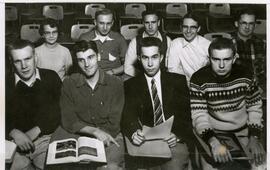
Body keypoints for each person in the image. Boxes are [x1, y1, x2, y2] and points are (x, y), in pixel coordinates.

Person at [190, 38, 265, 170]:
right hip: (212, 133)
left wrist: (254, 137)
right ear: (209, 58)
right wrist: (213, 142)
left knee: (260, 166)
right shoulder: (198, 79)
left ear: (234, 58)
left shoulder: (246, 75)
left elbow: (255, 107)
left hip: (243, 132)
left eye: (226, 59)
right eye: (216, 59)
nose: (221, 65)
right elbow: (199, 115)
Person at [121, 37, 194, 170]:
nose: (150, 63)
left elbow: (187, 116)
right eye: (145, 58)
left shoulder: (178, 81)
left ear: (161, 57)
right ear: (139, 58)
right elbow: (127, 115)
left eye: (154, 57)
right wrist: (133, 133)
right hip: (145, 142)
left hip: (172, 141)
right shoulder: (131, 85)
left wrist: (177, 135)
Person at [60, 40, 125, 170]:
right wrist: (94, 131)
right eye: (81, 60)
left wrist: (98, 139)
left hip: (110, 135)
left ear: (98, 56)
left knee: (109, 167)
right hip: (78, 135)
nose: (87, 64)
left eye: (90, 57)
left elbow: (115, 122)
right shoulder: (69, 84)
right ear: (76, 62)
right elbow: (68, 120)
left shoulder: (115, 83)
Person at [6, 39, 62, 170]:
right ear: (11, 62)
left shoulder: (51, 77)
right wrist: (12, 132)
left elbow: (62, 110)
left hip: (45, 140)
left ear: (35, 57)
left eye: (27, 59)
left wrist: (38, 129)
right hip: (14, 145)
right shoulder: (4, 84)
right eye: (18, 61)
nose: (24, 65)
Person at [79, 8, 127, 77]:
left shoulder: (119, 38)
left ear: (112, 23)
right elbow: (80, 63)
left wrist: (112, 72)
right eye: (101, 23)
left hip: (113, 77)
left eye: (108, 23)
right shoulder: (85, 38)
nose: (105, 27)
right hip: (90, 76)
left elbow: (128, 64)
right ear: (95, 22)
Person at [124, 10, 171, 77]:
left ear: (158, 23)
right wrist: (144, 78)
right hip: (141, 79)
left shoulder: (167, 40)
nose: (150, 26)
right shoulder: (135, 42)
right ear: (143, 23)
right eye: (147, 23)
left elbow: (171, 66)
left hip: (163, 79)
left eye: (153, 22)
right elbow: (128, 67)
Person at [167, 12, 210, 84]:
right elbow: (173, 70)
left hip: (203, 84)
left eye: (192, 27)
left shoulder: (207, 45)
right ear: (181, 28)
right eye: (185, 27)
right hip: (182, 84)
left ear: (198, 29)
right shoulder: (175, 43)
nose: (188, 31)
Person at [232, 8, 266, 96]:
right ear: (236, 24)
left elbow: (264, 71)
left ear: (255, 25)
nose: (247, 27)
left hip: (259, 89)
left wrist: (262, 87)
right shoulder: (228, 44)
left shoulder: (261, 44)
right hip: (235, 90)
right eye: (244, 23)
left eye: (251, 24)